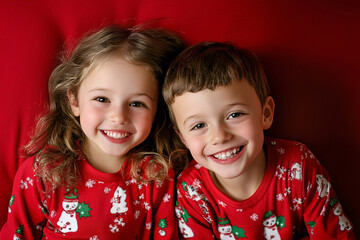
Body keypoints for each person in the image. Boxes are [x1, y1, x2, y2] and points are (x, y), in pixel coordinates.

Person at [0, 25, 185, 239]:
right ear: (74, 100)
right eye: (102, 99)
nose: (119, 117)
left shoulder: (157, 176)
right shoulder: (42, 174)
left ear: (155, 111)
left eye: (136, 103)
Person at [163, 41, 356, 239]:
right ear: (183, 139)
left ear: (265, 114)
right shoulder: (191, 192)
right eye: (198, 126)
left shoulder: (298, 165)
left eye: (235, 115)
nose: (220, 137)